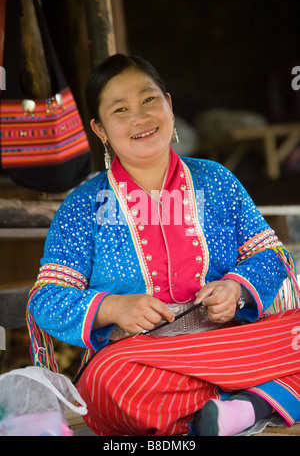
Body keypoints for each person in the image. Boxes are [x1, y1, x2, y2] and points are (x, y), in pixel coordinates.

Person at [27, 53, 300, 436]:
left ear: (169, 105)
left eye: (149, 100)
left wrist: (237, 288)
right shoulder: (84, 206)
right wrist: (112, 307)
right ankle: (254, 400)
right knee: (106, 383)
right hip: (142, 362)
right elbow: (47, 298)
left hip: (230, 341)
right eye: (120, 109)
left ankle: (238, 409)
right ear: (100, 129)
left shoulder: (217, 181)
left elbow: (272, 257)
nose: (140, 116)